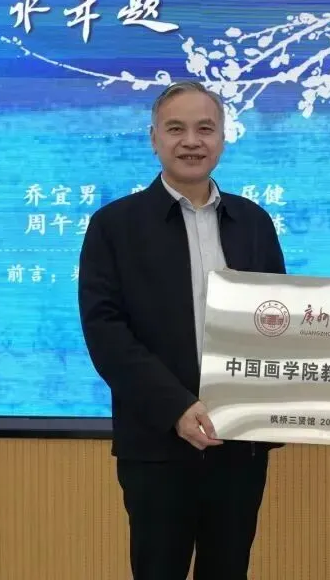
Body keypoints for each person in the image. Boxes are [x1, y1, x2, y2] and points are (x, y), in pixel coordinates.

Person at [77, 80, 286, 580]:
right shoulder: (114, 225)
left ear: (223, 138)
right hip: (156, 445)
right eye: (176, 129)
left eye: (205, 129)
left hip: (238, 444)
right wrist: (176, 407)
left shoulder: (254, 222)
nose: (191, 141)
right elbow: (106, 332)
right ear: (154, 138)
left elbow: (280, 323)